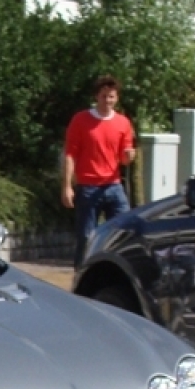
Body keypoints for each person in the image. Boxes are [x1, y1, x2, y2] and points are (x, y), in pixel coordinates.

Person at [62, 75, 135, 265]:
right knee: (86, 238)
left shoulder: (123, 123)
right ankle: (81, 277)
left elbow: (124, 158)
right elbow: (70, 154)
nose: (107, 101)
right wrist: (67, 186)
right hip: (88, 187)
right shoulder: (81, 120)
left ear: (116, 98)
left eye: (111, 97)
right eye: (104, 96)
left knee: (123, 233)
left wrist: (129, 156)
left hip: (113, 186)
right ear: (97, 97)